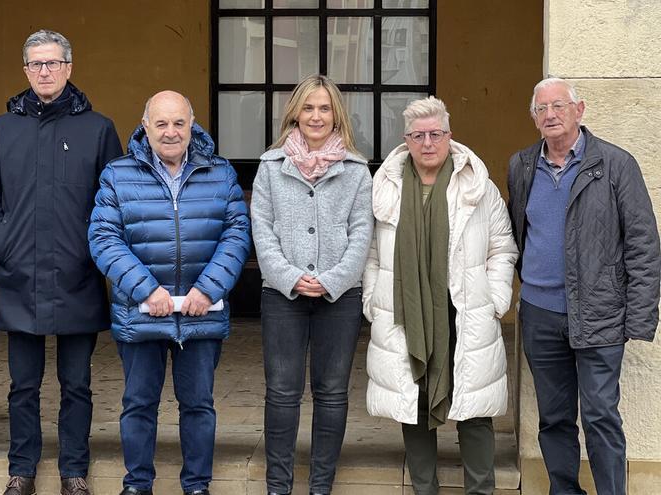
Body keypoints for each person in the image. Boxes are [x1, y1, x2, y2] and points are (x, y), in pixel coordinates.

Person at [0, 30, 122, 495]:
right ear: (25, 71)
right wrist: (2, 246)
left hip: (76, 274)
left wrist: (93, 253)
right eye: (36, 64)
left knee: (77, 384)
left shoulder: (97, 129)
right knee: (22, 386)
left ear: (69, 68)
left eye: (53, 63)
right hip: (18, 274)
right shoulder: (2, 129)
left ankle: (73, 471)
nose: (44, 71)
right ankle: (22, 470)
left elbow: (114, 201)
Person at [88, 90, 250, 495]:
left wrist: (207, 289)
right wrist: (146, 289)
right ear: (145, 127)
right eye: (161, 123)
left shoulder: (221, 173)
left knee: (198, 406)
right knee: (138, 404)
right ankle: (137, 484)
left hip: (201, 312)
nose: (171, 132)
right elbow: (103, 237)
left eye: (179, 123)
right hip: (142, 312)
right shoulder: (118, 174)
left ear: (192, 125)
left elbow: (236, 234)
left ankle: (196, 485)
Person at [507, 77, 660, 495]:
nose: (551, 115)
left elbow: (644, 243)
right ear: (534, 118)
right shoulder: (521, 166)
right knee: (554, 417)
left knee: (600, 416)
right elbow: (517, 233)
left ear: (580, 110)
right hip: (539, 314)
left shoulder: (615, 164)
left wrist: (639, 316)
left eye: (559, 106)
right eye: (541, 109)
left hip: (600, 313)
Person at [362, 96, 518, 495]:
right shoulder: (387, 188)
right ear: (406, 140)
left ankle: (480, 490)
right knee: (414, 401)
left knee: (475, 407)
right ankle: (423, 489)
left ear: (449, 136)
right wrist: (372, 299)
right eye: (418, 136)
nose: (427, 143)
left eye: (435, 134)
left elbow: (502, 247)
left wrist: (496, 297)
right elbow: (372, 254)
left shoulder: (477, 187)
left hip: (464, 311)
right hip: (407, 313)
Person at [250, 74, 373, 495]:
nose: (316, 116)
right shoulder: (270, 165)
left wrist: (333, 279)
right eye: (308, 108)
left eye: (324, 108)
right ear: (295, 115)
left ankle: (321, 487)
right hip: (282, 295)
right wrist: (289, 276)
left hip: (339, 297)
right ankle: (277, 487)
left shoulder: (356, 170)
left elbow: (362, 233)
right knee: (282, 393)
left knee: (333, 393)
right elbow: (261, 230)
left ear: (336, 114)